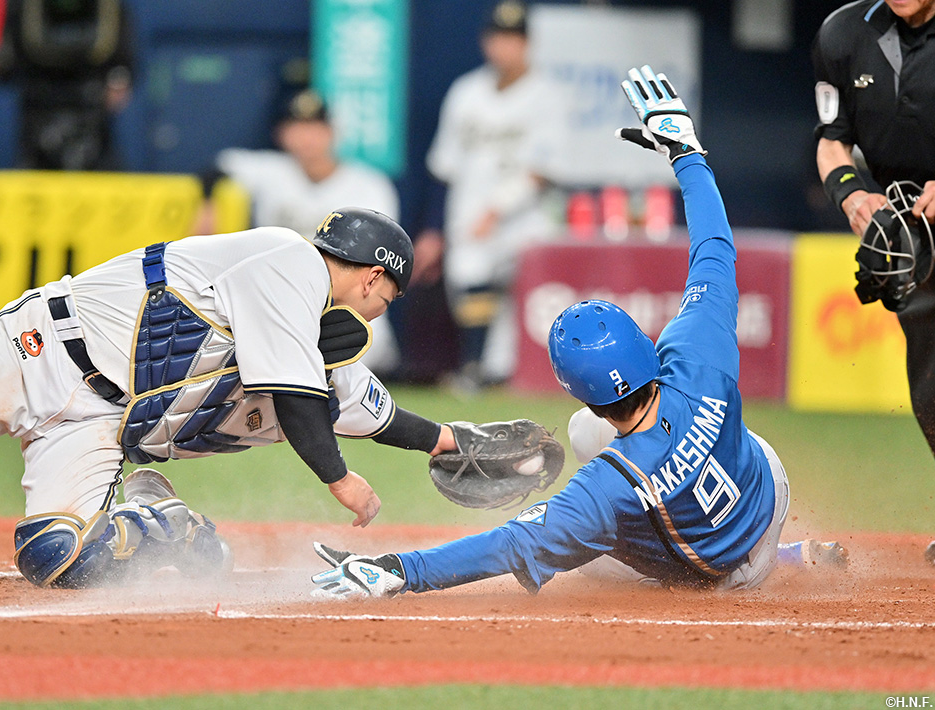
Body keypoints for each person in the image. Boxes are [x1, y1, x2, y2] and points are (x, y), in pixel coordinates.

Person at [310, 66, 847, 600]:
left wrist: (398, 569)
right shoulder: (696, 353)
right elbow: (714, 249)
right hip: (767, 491)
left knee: (580, 545)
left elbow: (509, 544)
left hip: (722, 574)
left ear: (582, 393)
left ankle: (779, 562)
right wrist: (687, 154)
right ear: (644, 343)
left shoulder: (607, 486)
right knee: (680, 440)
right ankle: (779, 547)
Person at [0, 207, 460, 589]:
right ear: (373, 277)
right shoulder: (290, 260)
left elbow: (369, 410)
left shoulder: (302, 330)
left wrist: (450, 441)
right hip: (42, 348)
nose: (376, 314)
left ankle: (165, 526)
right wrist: (340, 480)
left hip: (95, 423)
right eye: (385, 301)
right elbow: (297, 398)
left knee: (57, 557)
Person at [812, 0, 935, 564]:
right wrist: (850, 191)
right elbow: (832, 137)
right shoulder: (842, 35)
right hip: (915, 238)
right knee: (931, 387)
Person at [194, 87, 401, 373]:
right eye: (297, 129)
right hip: (283, 302)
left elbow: (382, 263)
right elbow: (215, 168)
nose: (306, 138)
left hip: (345, 306)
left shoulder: (369, 185)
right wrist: (207, 207)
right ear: (282, 135)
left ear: (332, 132)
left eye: (315, 129)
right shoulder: (270, 171)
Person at [425, 0, 563, 389]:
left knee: (521, 305)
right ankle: (479, 373)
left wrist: (497, 208)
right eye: (498, 38)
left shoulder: (547, 95)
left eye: (513, 38)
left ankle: (496, 374)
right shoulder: (465, 92)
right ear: (487, 42)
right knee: (470, 284)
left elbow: (542, 172)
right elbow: (444, 165)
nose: (505, 47)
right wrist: (434, 229)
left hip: (526, 218)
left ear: (527, 43)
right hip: (468, 213)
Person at [0, 0, 133, 170]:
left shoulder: (109, 8)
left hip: (92, 107)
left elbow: (122, 58)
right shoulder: (21, 7)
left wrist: (119, 78)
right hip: (39, 104)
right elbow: (6, 63)